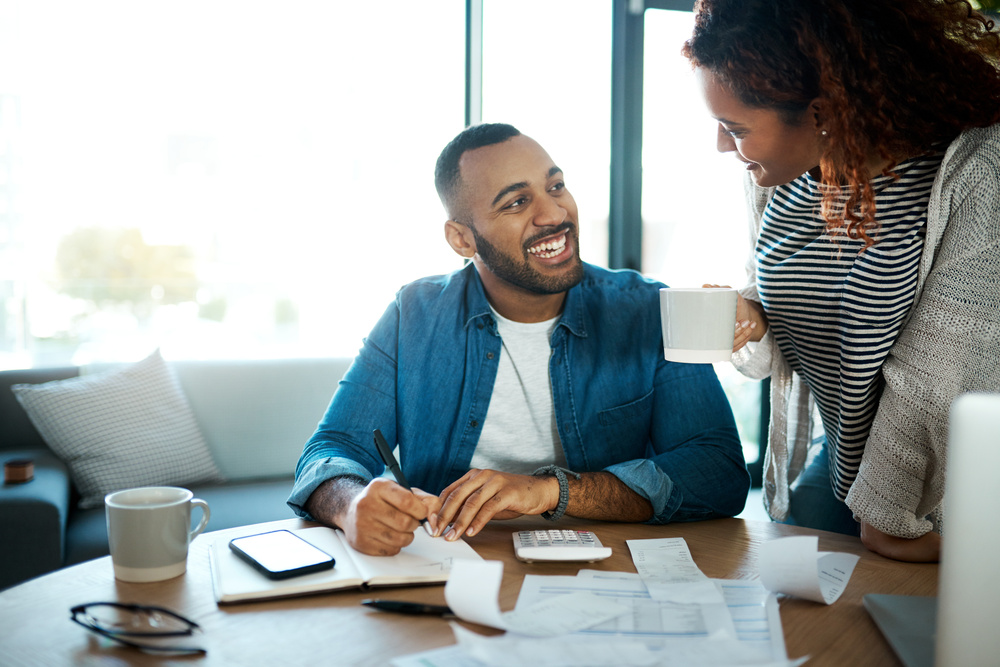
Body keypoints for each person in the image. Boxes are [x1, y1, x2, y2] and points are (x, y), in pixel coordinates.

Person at [288, 123, 750, 556]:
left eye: (555, 187)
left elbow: (717, 472)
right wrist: (349, 505)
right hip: (452, 565)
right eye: (515, 202)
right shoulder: (415, 313)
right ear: (462, 239)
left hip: (612, 568)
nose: (554, 214)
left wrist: (547, 491)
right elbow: (332, 448)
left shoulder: (648, 310)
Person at [682, 0, 1000, 562]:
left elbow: (941, 373)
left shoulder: (976, 172)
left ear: (822, 112)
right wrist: (753, 314)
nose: (721, 148)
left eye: (734, 129)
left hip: (944, 485)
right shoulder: (781, 179)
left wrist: (887, 518)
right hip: (846, 463)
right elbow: (797, 296)